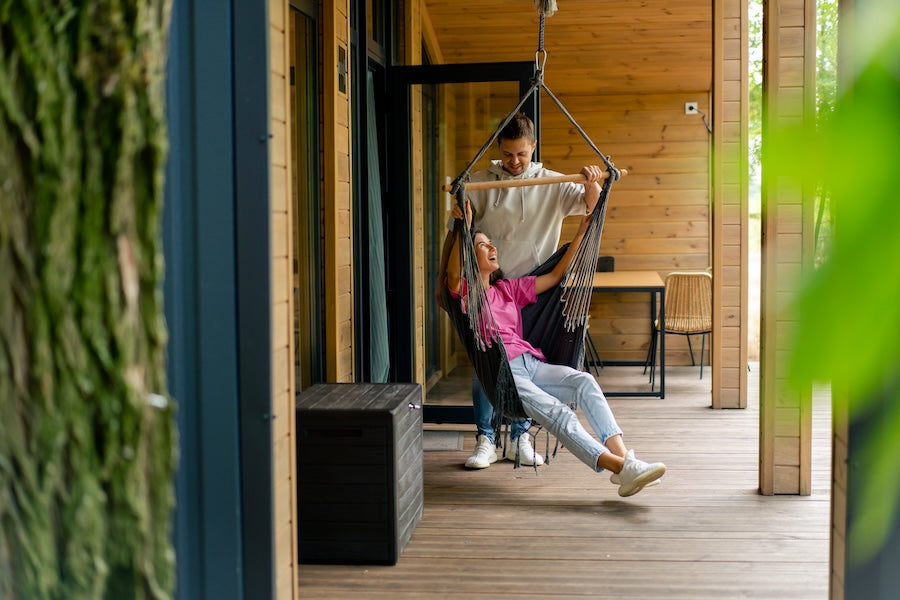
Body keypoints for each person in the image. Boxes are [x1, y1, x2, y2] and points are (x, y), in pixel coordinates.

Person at [445, 199, 666, 497]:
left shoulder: (507, 289)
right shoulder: (465, 296)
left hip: (531, 364)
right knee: (558, 413)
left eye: (491, 244)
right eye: (483, 246)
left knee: (584, 382)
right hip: (505, 374)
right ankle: (622, 469)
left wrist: (581, 233)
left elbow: (554, 276)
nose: (492, 248)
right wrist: (463, 227)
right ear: (470, 256)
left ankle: (627, 460)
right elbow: (454, 274)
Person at [437, 112, 605, 469]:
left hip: (534, 286)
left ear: (533, 147)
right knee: (487, 362)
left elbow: (590, 206)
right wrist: (458, 209)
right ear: (499, 149)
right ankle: (485, 437)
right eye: (508, 154)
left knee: (527, 364)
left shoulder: (554, 183)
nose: (514, 162)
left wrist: (593, 186)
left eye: (521, 155)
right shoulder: (482, 181)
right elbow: (462, 228)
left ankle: (519, 438)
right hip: (491, 287)